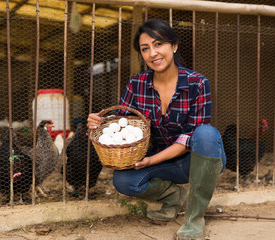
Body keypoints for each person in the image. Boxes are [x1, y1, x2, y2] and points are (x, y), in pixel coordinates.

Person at [87, 18, 226, 240]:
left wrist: (151, 161)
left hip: (194, 160)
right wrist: (99, 122)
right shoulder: (137, 83)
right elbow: (122, 119)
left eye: (158, 44)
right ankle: (172, 196)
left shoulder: (197, 83)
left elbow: (191, 136)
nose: (153, 53)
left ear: (174, 45)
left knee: (206, 134)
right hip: (163, 163)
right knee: (123, 181)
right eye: (145, 48)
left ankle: (194, 218)